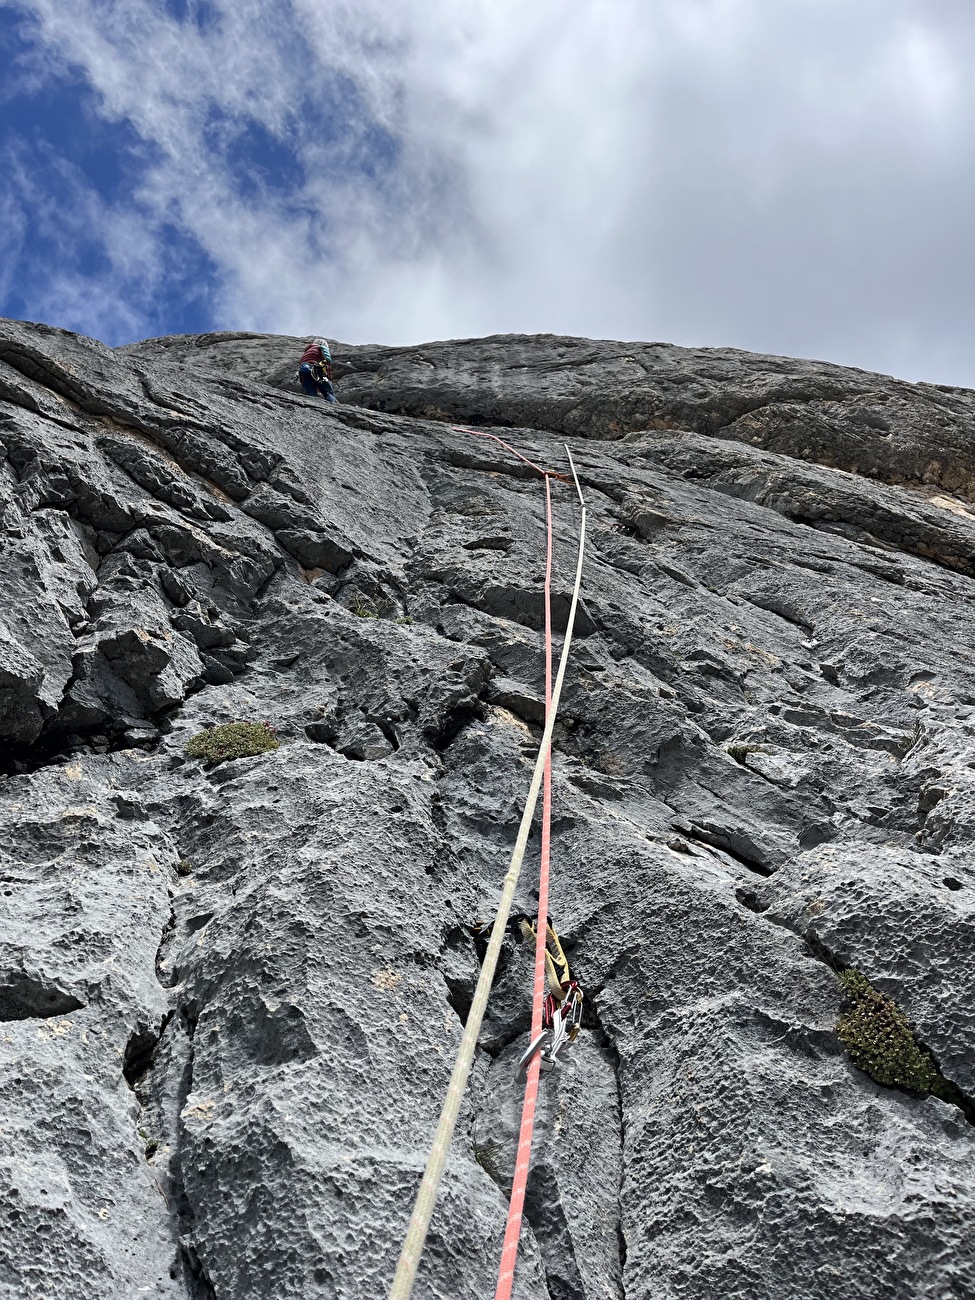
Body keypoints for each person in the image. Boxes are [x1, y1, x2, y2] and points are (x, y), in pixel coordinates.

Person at [297, 338, 337, 403]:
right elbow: (327, 359)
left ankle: (312, 404)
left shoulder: (307, 352)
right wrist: (328, 376)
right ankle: (333, 405)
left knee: (311, 391)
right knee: (328, 391)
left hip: (304, 371)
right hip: (316, 369)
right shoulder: (322, 347)